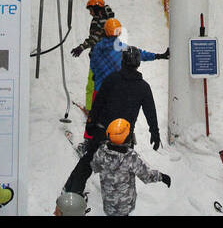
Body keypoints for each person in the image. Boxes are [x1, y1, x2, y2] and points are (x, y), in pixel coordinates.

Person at [65, 45, 160, 196]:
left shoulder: (111, 80)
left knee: (87, 163)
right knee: (124, 168)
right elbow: (151, 112)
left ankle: (72, 192)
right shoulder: (144, 87)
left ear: (122, 62)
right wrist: (155, 133)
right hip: (124, 137)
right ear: (138, 64)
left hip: (102, 133)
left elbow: (97, 104)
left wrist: (90, 124)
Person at [90, 119, 169, 216]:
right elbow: (147, 176)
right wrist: (161, 176)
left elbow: (95, 167)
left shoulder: (101, 152)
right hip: (125, 206)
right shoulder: (130, 157)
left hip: (108, 204)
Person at [88, 20, 166, 98]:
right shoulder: (120, 47)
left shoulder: (97, 47)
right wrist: (158, 56)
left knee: (97, 108)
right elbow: (139, 54)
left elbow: (93, 65)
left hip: (99, 88)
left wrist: (97, 74)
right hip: (116, 89)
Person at [72, 0, 115, 108]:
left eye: (91, 10)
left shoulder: (102, 21)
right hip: (108, 58)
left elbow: (95, 38)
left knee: (92, 85)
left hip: (99, 58)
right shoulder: (107, 19)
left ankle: (90, 109)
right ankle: (106, 106)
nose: (90, 13)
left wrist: (81, 47)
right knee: (105, 84)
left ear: (96, 9)